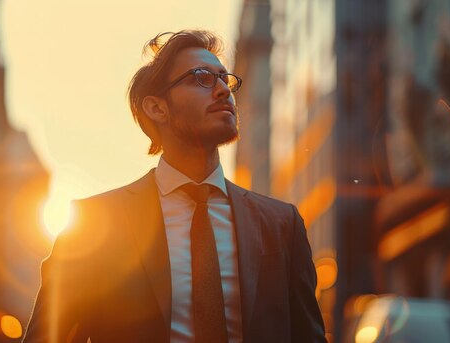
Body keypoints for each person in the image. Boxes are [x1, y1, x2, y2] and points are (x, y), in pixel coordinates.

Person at [23, 29, 325, 343]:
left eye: (225, 79)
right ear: (157, 108)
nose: (223, 90)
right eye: (201, 78)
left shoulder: (281, 225)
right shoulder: (93, 224)